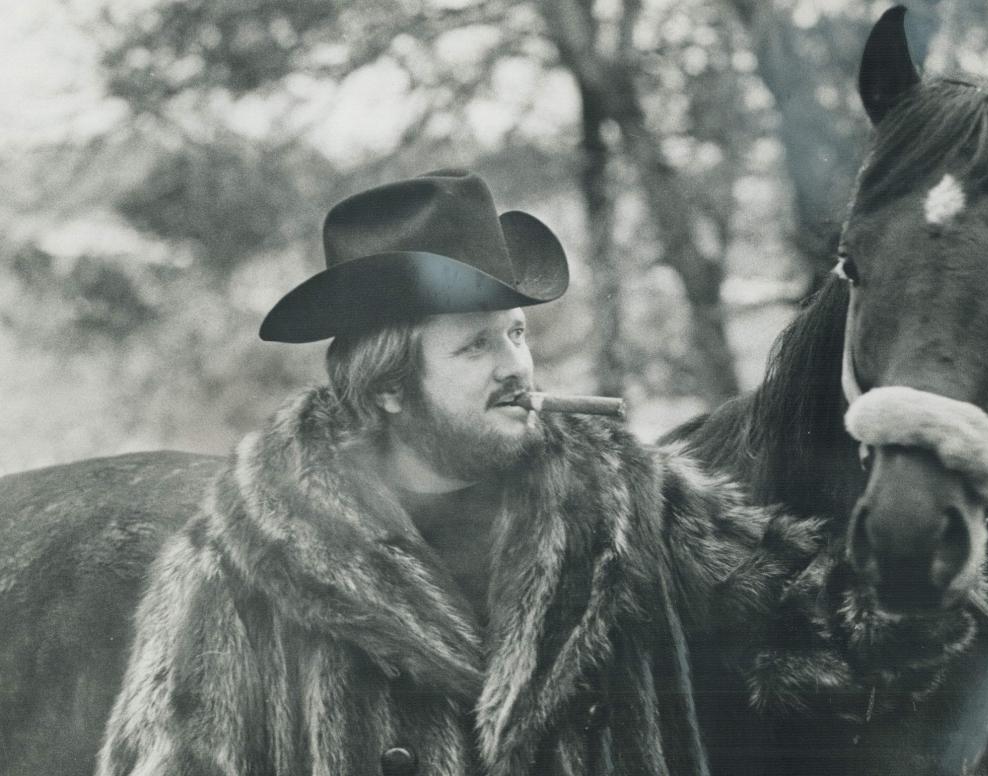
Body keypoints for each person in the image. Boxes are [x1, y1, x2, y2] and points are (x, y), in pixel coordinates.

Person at [95, 170, 851, 776]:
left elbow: (823, 619)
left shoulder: (622, 496)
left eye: (516, 334)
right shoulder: (238, 562)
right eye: (474, 348)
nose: (517, 368)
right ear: (388, 387)